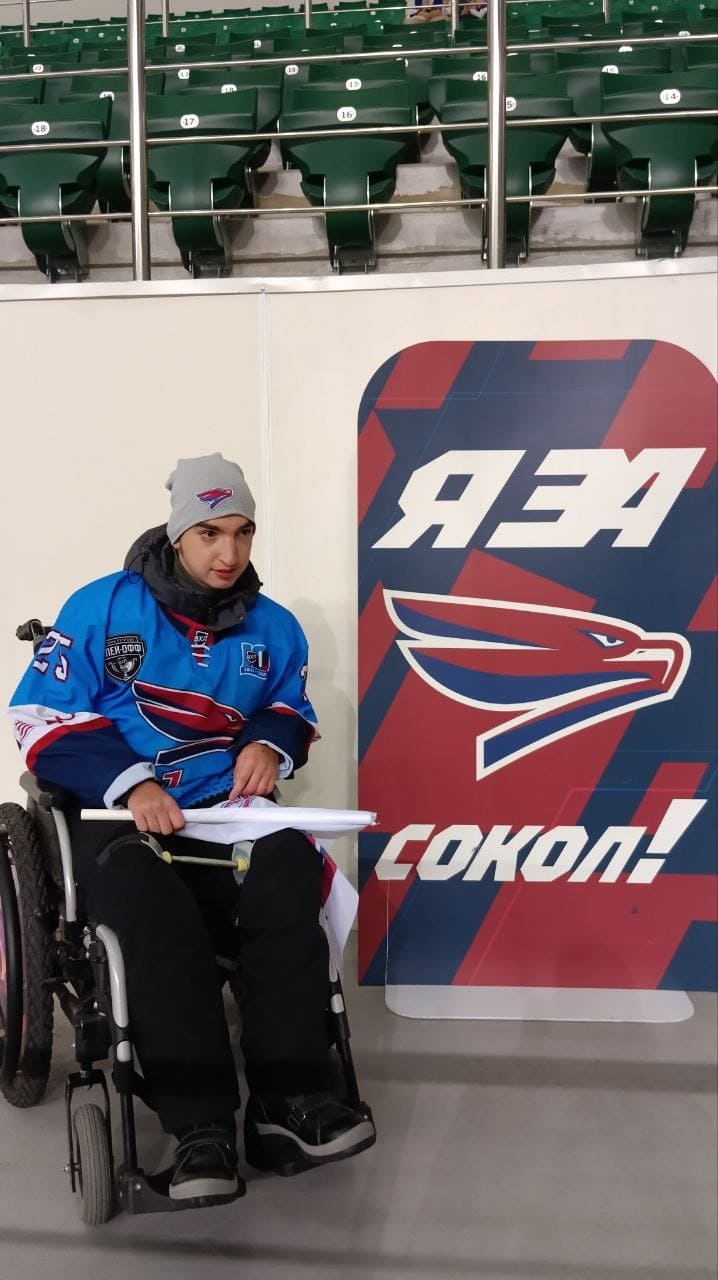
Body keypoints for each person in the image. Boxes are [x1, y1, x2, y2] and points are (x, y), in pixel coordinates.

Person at [8, 453, 375, 1203]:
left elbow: (291, 708)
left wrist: (268, 744)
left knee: (289, 869)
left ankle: (286, 1103)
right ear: (178, 534)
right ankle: (200, 1128)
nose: (228, 552)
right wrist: (131, 781)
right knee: (148, 895)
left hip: (218, 811)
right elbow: (39, 716)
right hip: (116, 811)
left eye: (242, 532)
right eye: (210, 533)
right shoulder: (103, 607)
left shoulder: (274, 627)